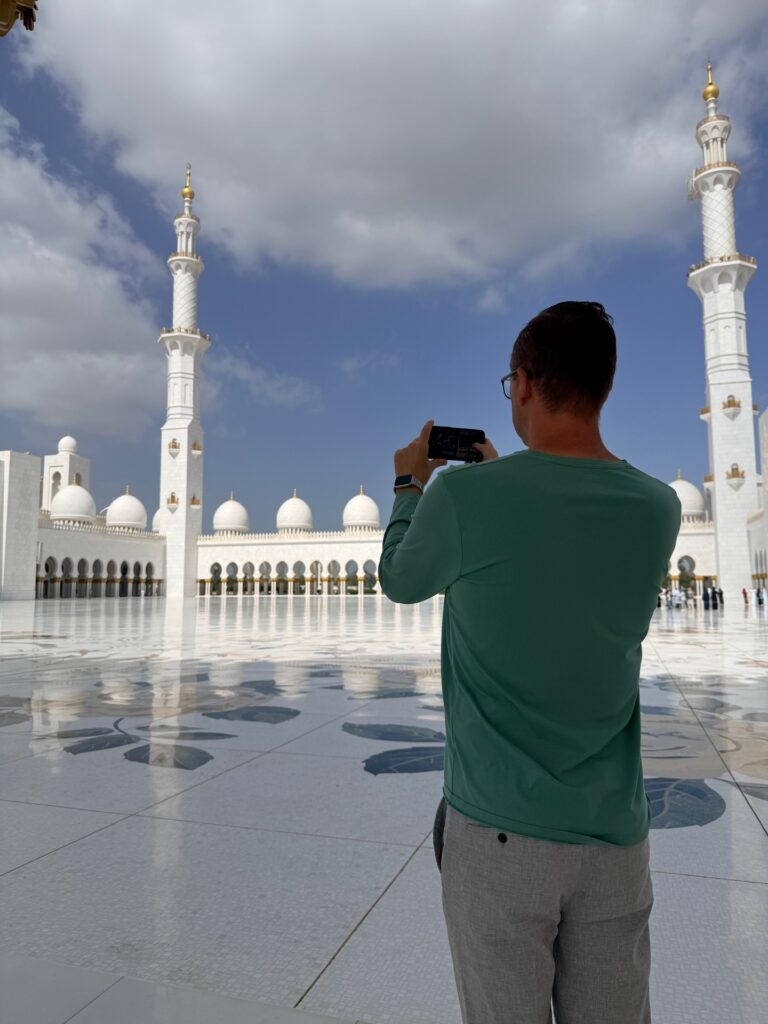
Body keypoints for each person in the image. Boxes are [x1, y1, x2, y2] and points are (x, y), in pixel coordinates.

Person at [379, 301, 681, 1024]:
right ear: (604, 388)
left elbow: (399, 578)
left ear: (521, 384)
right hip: (613, 835)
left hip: (499, 834)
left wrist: (407, 487)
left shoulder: (462, 498)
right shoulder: (658, 506)